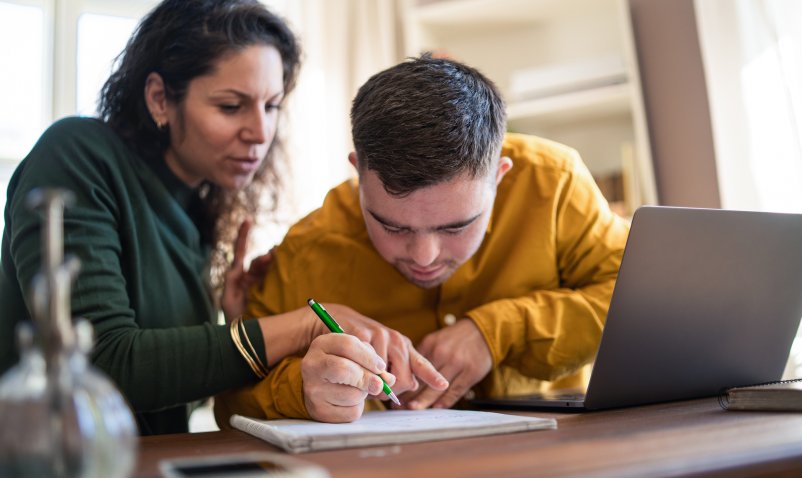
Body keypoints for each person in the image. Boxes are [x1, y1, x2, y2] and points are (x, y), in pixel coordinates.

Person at [0, 0, 445, 445]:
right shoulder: (78, 154)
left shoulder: (199, 207)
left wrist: (232, 317)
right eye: (231, 106)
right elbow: (104, 364)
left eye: (271, 106)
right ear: (159, 99)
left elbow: (169, 392)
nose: (260, 132)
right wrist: (295, 328)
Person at [213, 53, 630, 425]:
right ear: (359, 171)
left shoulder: (553, 183)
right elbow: (231, 402)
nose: (424, 257)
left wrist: (498, 331)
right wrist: (301, 391)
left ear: (500, 176)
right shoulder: (308, 249)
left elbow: (635, 300)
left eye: (455, 227)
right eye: (393, 226)